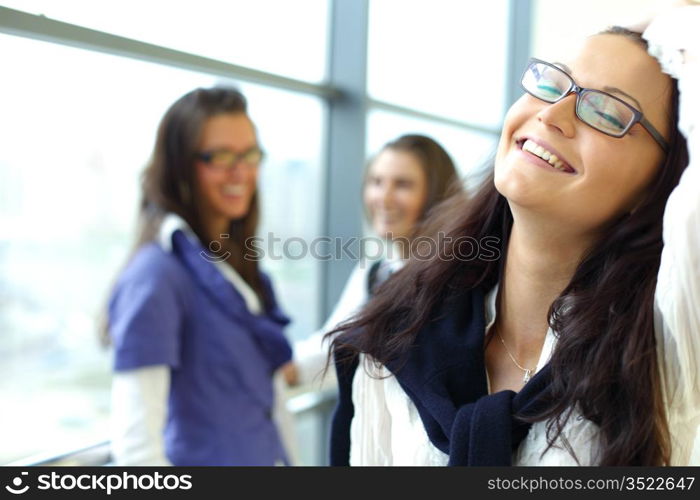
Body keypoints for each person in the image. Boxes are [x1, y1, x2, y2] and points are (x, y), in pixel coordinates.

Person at [329, 18, 699, 466]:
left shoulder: (667, 349)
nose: (551, 115)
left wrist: (668, 23)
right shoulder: (395, 342)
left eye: (605, 111)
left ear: (664, 181)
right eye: (551, 84)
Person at [107, 87, 294, 465]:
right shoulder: (157, 275)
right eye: (221, 156)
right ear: (180, 166)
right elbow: (137, 450)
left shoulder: (234, 265)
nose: (240, 171)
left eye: (250, 154)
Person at [293, 135, 462, 385]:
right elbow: (331, 348)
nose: (384, 197)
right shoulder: (375, 272)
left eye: (402, 184)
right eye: (376, 182)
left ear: (437, 194)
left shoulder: (457, 277)